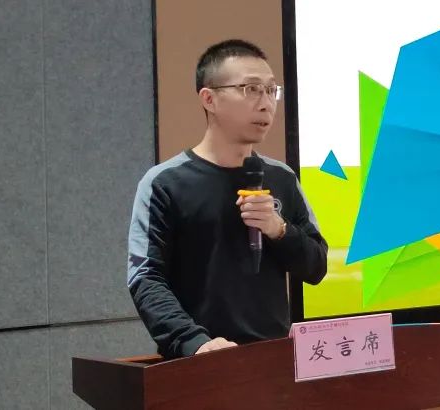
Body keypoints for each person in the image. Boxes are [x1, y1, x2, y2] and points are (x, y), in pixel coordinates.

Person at [127, 39, 328, 358]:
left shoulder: (282, 177)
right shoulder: (165, 183)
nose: (266, 103)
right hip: (201, 361)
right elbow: (146, 278)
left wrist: (278, 229)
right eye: (251, 89)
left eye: (271, 90)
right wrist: (195, 342)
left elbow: (316, 267)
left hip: (275, 360)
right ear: (209, 99)